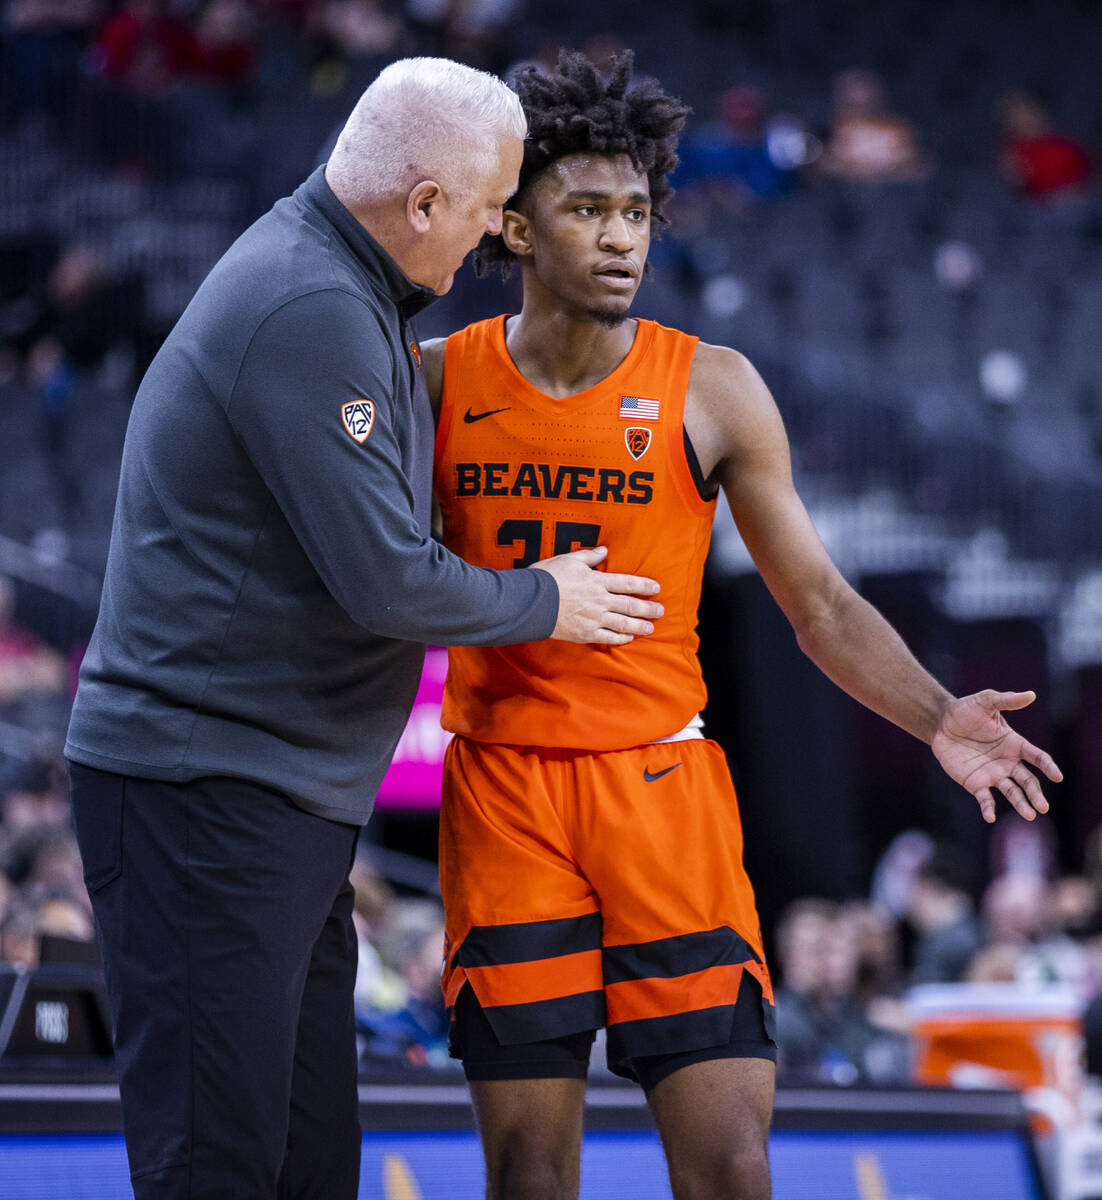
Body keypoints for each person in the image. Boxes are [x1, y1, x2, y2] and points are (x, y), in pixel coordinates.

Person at [421, 50, 1062, 1200]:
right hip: (503, 789)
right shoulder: (433, 383)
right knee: (526, 1171)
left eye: (637, 212)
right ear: (515, 228)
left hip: (662, 790)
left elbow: (816, 602)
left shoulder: (708, 385)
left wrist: (935, 719)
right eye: (587, 211)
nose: (623, 238)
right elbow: (368, 580)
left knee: (728, 1166)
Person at [63, 57, 662, 1200]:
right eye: (490, 211)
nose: (498, 237)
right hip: (204, 796)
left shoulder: (345, 292)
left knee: (303, 1168)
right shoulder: (311, 305)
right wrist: (549, 598)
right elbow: (385, 582)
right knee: (219, 1170)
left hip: (269, 803)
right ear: (423, 202)